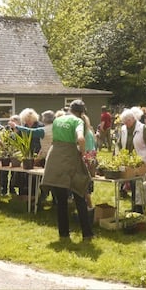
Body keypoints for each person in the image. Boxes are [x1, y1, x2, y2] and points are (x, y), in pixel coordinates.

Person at [42, 100, 94, 241]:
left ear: (70, 109)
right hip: (70, 158)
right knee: (79, 195)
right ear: (82, 112)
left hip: (54, 158)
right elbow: (81, 139)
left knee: (61, 201)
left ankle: (63, 234)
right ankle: (87, 234)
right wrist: (81, 152)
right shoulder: (77, 121)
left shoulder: (58, 119)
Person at [117, 109, 146, 213]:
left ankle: (140, 209)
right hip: (128, 162)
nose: (126, 124)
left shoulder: (143, 128)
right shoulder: (124, 129)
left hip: (141, 161)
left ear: (133, 119)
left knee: (139, 186)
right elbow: (119, 143)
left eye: (127, 121)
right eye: (124, 122)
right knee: (132, 186)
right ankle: (134, 207)